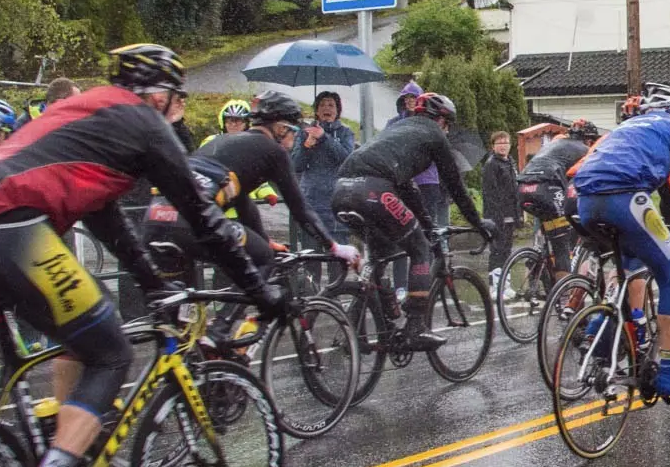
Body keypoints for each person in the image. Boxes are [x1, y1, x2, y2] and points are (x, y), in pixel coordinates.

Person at [0, 44, 281, 467]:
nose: (177, 106)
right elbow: (205, 220)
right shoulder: (145, 124)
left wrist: (152, 284)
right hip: (10, 230)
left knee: (77, 335)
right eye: (177, 96)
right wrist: (262, 294)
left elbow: (108, 220)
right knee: (110, 352)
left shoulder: (91, 115)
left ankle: (45, 448)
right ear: (163, 93)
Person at [572, 83, 670, 402]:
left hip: (585, 203)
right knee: (668, 273)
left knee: (630, 269)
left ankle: (610, 331)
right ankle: (667, 374)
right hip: (627, 200)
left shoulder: (625, 128)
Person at [334, 92, 498, 351]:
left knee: (381, 254)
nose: (447, 130)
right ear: (442, 121)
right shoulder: (433, 135)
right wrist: (478, 223)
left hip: (341, 191)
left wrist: (428, 223)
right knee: (419, 247)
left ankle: (358, 327)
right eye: (448, 125)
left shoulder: (400, 130)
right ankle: (415, 327)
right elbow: (456, 187)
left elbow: (408, 188)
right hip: (373, 191)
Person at [144, 90, 360, 284]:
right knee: (264, 260)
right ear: (280, 128)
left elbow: (243, 203)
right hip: (192, 222)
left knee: (186, 312)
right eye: (294, 129)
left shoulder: (226, 142)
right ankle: (228, 328)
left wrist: (264, 239)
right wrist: (334, 247)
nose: (296, 134)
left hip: (155, 218)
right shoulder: (273, 151)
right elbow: (300, 209)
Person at [516, 118, 596, 284]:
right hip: (546, 189)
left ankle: (538, 260)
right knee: (562, 245)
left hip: (523, 188)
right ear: (588, 139)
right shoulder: (584, 150)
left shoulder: (554, 144)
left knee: (551, 230)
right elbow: (583, 182)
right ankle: (563, 295)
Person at [292, 90, 355, 245]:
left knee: (338, 259)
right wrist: (306, 146)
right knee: (311, 253)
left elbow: (347, 159)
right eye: (322, 105)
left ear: (337, 110)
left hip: (337, 200)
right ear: (317, 111)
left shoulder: (345, 132)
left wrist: (324, 137)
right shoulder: (305, 133)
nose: (327, 108)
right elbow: (296, 165)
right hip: (311, 198)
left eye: (331, 105)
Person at [388, 82, 447, 228]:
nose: (409, 100)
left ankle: (430, 249)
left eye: (413, 97)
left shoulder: (431, 122)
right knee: (405, 222)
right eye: (406, 98)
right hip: (403, 180)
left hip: (427, 180)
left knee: (428, 223)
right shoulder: (394, 123)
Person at [480, 131, 519, 282]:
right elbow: (490, 193)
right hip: (497, 215)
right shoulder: (491, 165)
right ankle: (495, 284)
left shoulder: (510, 163)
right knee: (497, 249)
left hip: (510, 213)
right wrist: (497, 216)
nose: (503, 146)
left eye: (506, 143)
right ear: (493, 146)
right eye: (499, 143)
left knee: (507, 249)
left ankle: (505, 283)